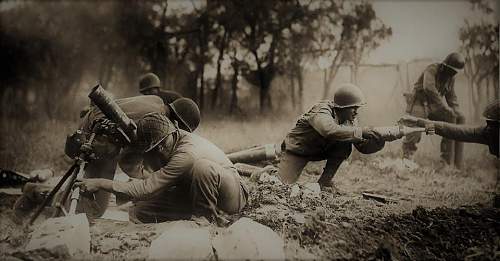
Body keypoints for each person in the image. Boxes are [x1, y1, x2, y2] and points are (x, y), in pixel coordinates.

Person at [14, 95, 201, 219]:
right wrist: (146, 181)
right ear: (176, 122)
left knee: (89, 197)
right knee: (92, 210)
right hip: (98, 143)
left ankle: (38, 192)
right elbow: (127, 161)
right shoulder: (151, 122)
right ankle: (35, 193)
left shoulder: (155, 100)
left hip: (95, 132)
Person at [74, 113, 248, 225]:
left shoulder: (186, 153)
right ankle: (199, 216)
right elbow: (146, 180)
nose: (162, 150)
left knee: (202, 167)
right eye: (156, 148)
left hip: (232, 195)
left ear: (172, 132)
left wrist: (100, 183)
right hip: (195, 192)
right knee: (140, 212)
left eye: (163, 144)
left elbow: (147, 188)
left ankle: (205, 220)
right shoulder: (167, 142)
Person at [278, 83, 387, 188]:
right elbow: (328, 130)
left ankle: (324, 182)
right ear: (342, 107)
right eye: (353, 108)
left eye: (357, 108)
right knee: (280, 184)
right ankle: (265, 170)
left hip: (318, 150)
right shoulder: (322, 110)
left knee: (345, 143)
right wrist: (361, 132)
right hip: (298, 150)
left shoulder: (350, 120)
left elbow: (361, 146)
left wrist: (378, 142)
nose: (356, 112)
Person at [400, 99, 499, 207]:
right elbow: (453, 131)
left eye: (493, 125)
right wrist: (419, 122)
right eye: (488, 123)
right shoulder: (488, 133)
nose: (488, 128)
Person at [402, 52, 466, 165]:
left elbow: (452, 97)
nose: (452, 74)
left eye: (454, 72)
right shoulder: (432, 69)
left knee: (453, 118)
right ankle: (408, 157)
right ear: (444, 66)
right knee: (415, 125)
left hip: (434, 105)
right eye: (451, 70)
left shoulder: (451, 78)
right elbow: (429, 88)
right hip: (419, 102)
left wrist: (456, 110)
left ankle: (448, 161)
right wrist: (444, 107)